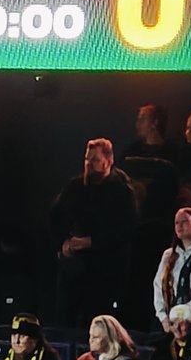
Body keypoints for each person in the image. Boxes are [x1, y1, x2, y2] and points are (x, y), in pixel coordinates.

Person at [52, 137, 138, 322]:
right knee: (64, 317)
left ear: (109, 161)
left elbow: (126, 229)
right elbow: (56, 216)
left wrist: (91, 241)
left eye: (95, 160)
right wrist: (64, 241)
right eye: (87, 159)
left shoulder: (122, 191)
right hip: (73, 268)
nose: (89, 165)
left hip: (104, 271)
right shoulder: (75, 187)